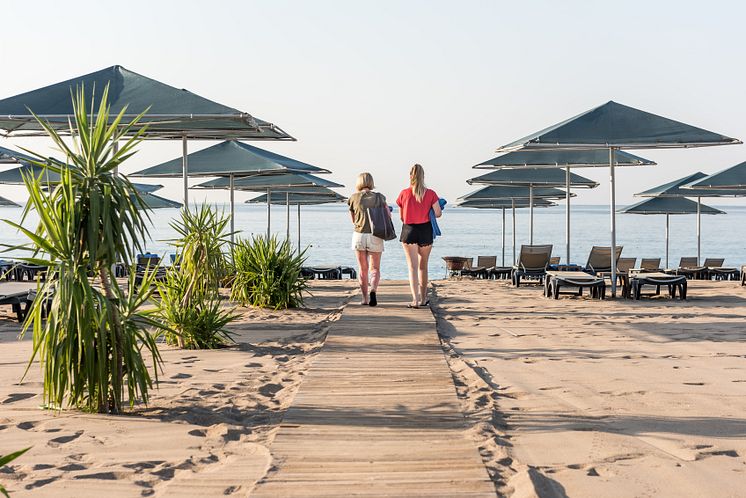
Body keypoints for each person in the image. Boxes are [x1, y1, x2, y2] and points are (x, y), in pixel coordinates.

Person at [397, 164, 442, 308]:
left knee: (412, 267)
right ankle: (423, 299)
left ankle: (415, 300)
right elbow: (438, 213)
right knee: (423, 267)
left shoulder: (404, 193)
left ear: (410, 176)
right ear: (423, 176)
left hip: (409, 229)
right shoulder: (431, 194)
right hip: (425, 230)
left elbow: (401, 217)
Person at [348, 172, 388, 306]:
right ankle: (373, 290)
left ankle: (364, 298)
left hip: (359, 235)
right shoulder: (380, 197)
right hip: (375, 234)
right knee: (375, 268)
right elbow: (387, 216)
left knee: (362, 269)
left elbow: (353, 220)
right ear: (371, 182)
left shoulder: (353, 198)